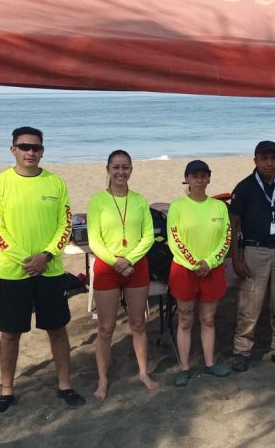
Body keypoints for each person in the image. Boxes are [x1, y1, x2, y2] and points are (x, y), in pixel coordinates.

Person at [0, 126, 85, 413]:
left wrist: (46, 256)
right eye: (24, 147)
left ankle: (65, 386)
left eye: (35, 147)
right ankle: (6, 390)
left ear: (42, 151)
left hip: (50, 271)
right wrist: (26, 260)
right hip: (14, 273)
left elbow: (65, 225)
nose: (30, 152)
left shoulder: (56, 183)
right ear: (13, 149)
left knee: (57, 330)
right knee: (10, 333)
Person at [86, 150, 159, 401]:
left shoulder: (139, 200)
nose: (120, 172)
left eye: (125, 167)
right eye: (116, 167)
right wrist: (116, 262)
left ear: (131, 170)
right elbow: (94, 240)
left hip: (136, 266)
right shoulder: (97, 201)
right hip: (108, 268)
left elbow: (148, 236)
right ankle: (103, 380)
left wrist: (129, 260)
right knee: (105, 327)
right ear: (108, 169)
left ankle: (143, 373)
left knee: (138, 324)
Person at [228, 141, 275, 372]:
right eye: (264, 159)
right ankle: (242, 352)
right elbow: (233, 224)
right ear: (256, 160)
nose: (269, 163)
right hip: (254, 251)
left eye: (274, 159)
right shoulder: (244, 187)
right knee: (250, 305)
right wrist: (236, 258)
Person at [168, 160, 233, 386]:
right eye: (195, 176)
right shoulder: (177, 206)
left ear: (209, 179)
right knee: (185, 320)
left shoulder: (219, 207)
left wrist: (210, 262)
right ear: (187, 179)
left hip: (212, 270)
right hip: (185, 270)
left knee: (208, 319)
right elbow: (174, 239)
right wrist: (195, 263)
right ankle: (185, 367)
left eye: (203, 176)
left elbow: (226, 237)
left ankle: (210, 363)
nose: (199, 180)